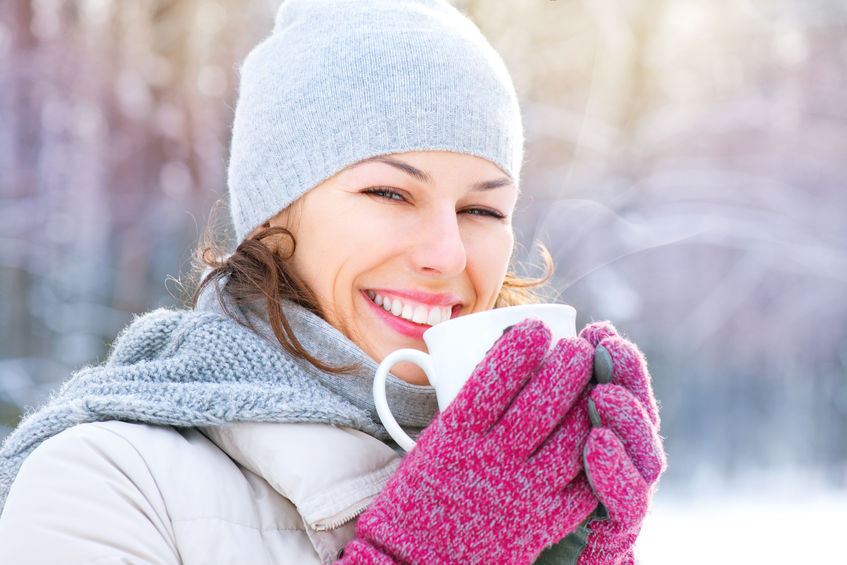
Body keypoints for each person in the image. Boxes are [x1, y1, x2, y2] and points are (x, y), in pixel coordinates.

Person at [0, 1, 665, 563]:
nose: (446, 251)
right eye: (389, 192)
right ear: (272, 216)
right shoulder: (104, 478)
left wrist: (569, 547)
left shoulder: (529, 484)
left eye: (482, 209)